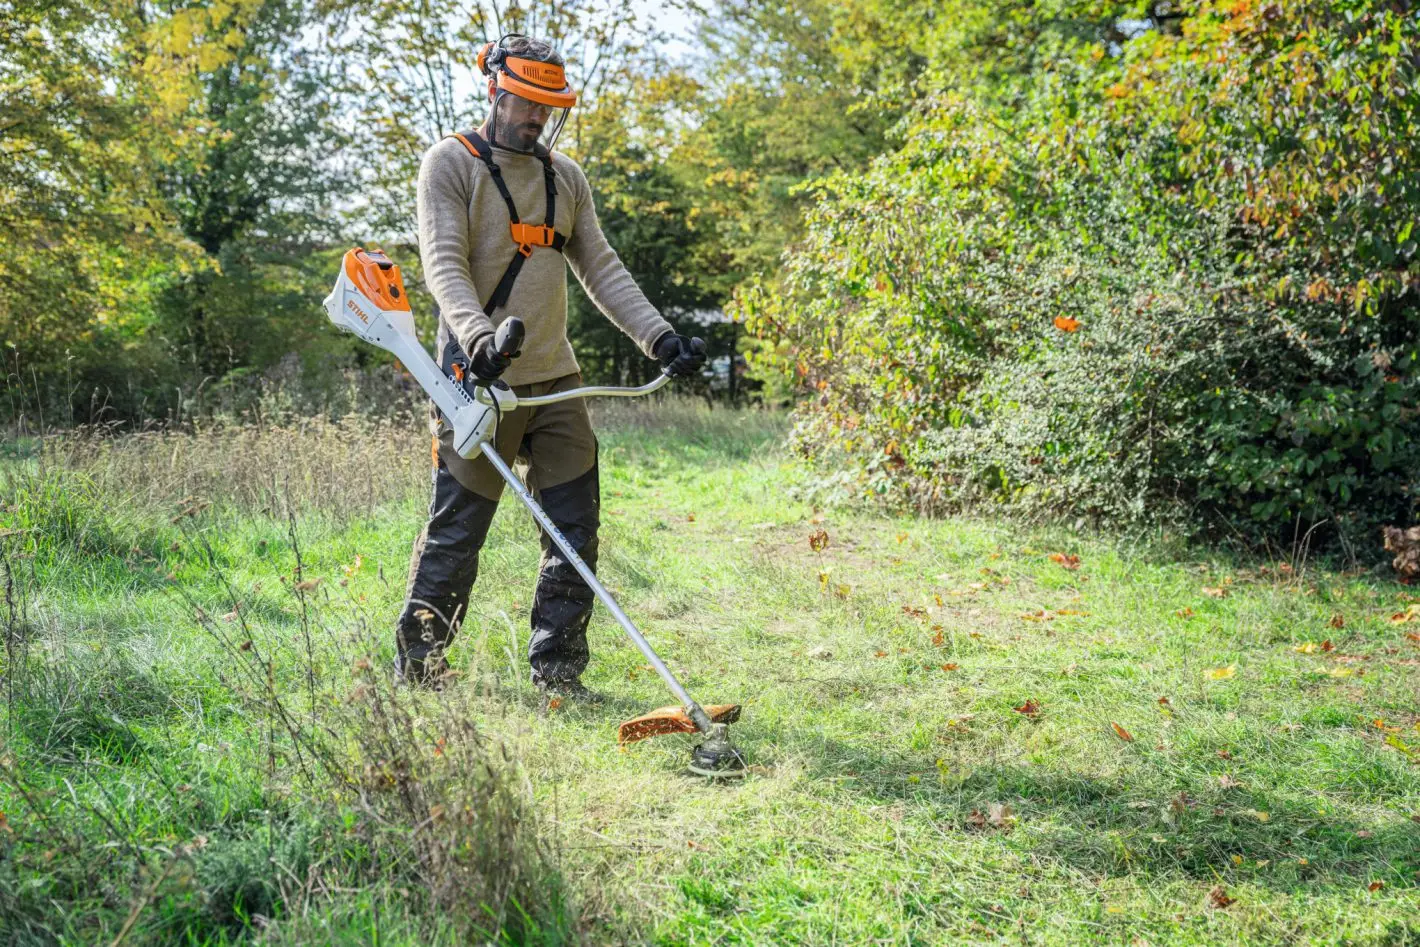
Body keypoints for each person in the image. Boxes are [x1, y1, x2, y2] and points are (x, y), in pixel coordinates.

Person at [395, 33, 706, 695]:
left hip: (556, 380)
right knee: (458, 530)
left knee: (574, 530)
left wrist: (660, 339)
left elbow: (602, 268)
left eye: (548, 107)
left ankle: (558, 672)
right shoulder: (449, 164)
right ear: (494, 92)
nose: (537, 117)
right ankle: (421, 669)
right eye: (526, 103)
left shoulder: (565, 177)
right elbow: (443, 266)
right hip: (476, 381)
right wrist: (479, 338)